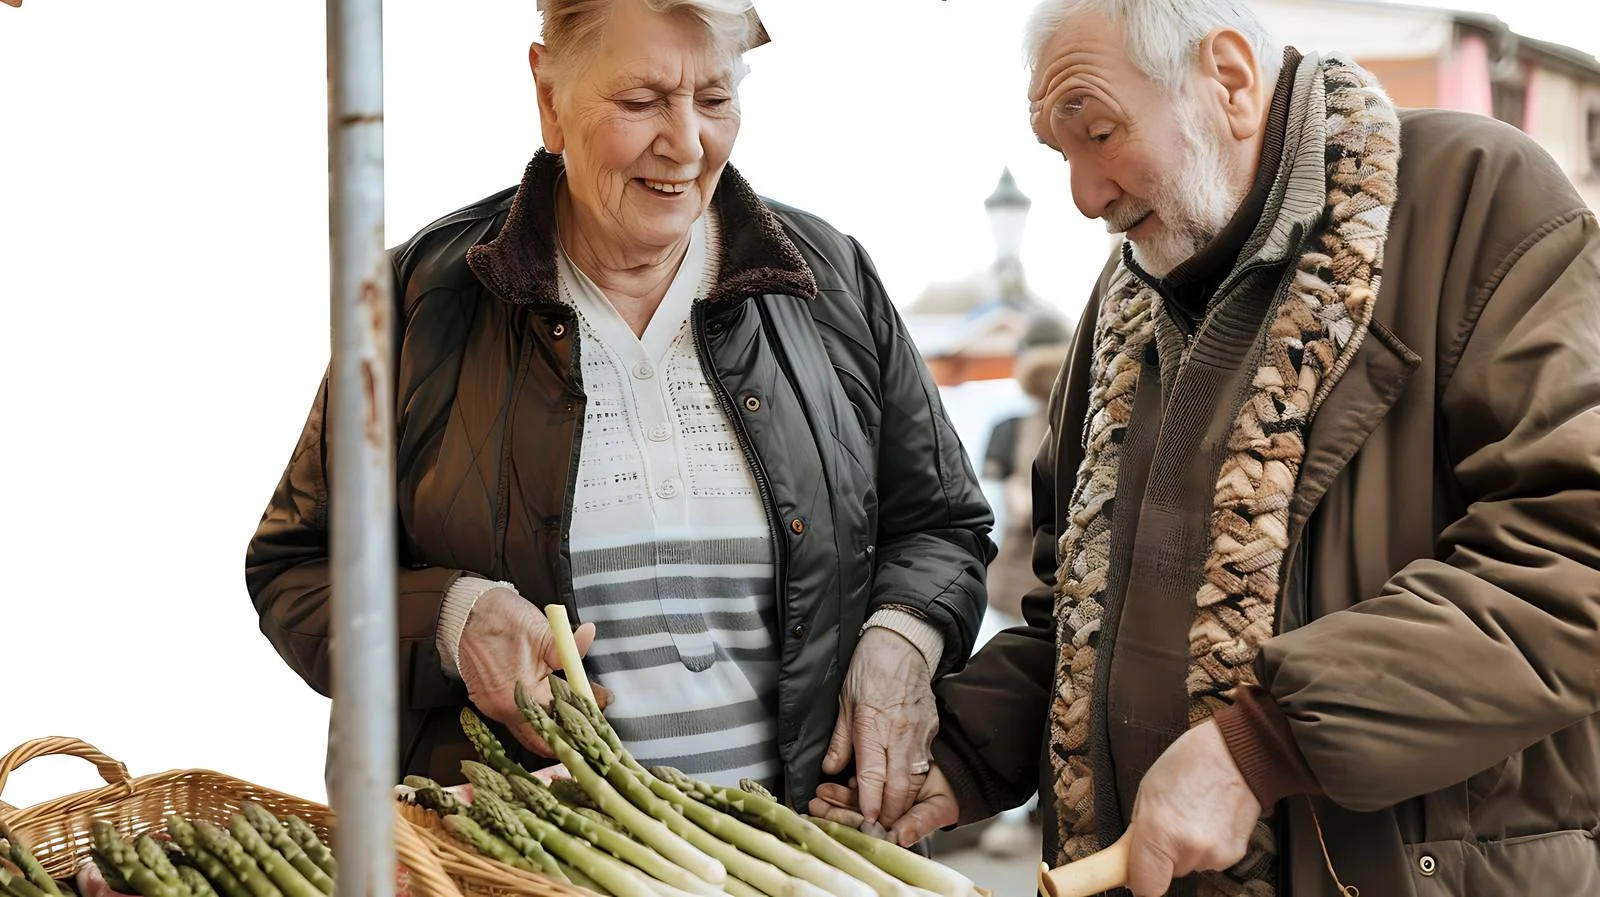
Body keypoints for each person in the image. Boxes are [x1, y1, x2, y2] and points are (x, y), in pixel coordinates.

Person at [811, 1, 1600, 894]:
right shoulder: (1122, 298)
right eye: (1059, 153)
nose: (1083, 195)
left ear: (1227, 77)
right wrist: (954, 755)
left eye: (1100, 133)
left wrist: (1261, 746)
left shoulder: (1478, 198)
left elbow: (1572, 555)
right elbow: (1071, 618)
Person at [245, 0, 994, 818]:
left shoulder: (830, 279)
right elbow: (297, 568)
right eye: (640, 102)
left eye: (714, 99)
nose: (685, 143)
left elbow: (942, 526)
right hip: (521, 871)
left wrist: (900, 639)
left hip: (816, 860)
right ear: (548, 95)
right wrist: (454, 621)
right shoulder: (420, 300)